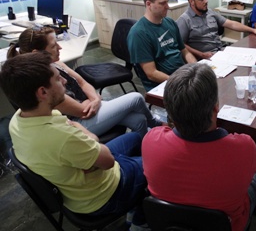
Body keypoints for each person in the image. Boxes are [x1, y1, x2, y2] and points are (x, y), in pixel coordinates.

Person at [0, 52, 149, 230]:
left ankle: (138, 194)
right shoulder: (62, 137)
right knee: (158, 165)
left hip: (82, 179)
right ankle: (140, 222)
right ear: (43, 92)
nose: (64, 81)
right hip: (103, 195)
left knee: (134, 137)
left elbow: (71, 125)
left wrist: (89, 153)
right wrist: (91, 140)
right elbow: (108, 161)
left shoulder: (18, 119)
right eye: (57, 79)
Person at [141, 63, 256, 231]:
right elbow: (252, 167)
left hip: (170, 223)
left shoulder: (150, 140)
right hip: (230, 224)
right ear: (216, 108)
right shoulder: (245, 147)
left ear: (169, 111)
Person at [7, 27, 161, 138]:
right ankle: (156, 124)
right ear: (37, 53)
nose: (60, 47)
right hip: (80, 122)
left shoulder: (55, 62)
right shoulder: (44, 85)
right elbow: (82, 112)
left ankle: (142, 151)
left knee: (139, 120)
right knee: (136, 98)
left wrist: (95, 99)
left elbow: (82, 82)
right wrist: (95, 101)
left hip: (91, 106)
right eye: (54, 46)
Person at [127, 0, 196, 91]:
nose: (167, 7)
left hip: (182, 75)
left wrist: (197, 68)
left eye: (167, 2)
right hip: (164, 84)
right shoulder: (138, 33)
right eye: (162, 3)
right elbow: (151, 73)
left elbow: (184, 51)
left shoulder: (170, 23)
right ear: (149, 4)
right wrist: (178, 81)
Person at [176, 0, 256, 59]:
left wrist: (253, 30)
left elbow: (231, 24)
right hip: (204, 59)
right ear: (191, 2)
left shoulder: (209, 12)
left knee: (250, 57)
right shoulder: (184, 20)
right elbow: (181, 45)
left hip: (220, 52)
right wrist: (201, 54)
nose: (206, 1)